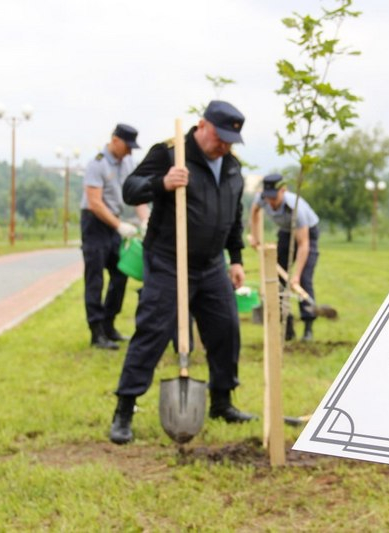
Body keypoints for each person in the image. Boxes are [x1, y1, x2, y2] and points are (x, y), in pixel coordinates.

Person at [109, 101, 256, 445]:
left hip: (211, 265)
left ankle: (222, 402)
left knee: (226, 329)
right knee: (154, 331)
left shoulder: (232, 167)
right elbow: (131, 190)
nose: (224, 146)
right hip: (168, 260)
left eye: (230, 141)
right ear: (202, 126)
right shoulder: (170, 154)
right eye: (219, 138)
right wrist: (161, 183)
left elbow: (233, 217)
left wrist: (235, 258)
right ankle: (124, 410)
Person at [80, 124, 149, 350]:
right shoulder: (97, 163)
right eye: (127, 146)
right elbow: (94, 202)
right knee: (95, 278)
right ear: (115, 140)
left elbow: (137, 194)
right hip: (95, 223)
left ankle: (109, 324)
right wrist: (119, 225)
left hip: (115, 224)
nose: (130, 151)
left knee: (120, 275)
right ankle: (96, 331)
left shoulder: (128, 162)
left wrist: (146, 219)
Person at [248, 174, 320, 341]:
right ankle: (287, 326)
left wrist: (296, 275)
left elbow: (303, 244)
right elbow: (254, 211)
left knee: (303, 280)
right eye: (268, 198)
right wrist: (255, 236)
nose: (271, 202)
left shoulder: (295, 208)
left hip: (307, 234)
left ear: (283, 190)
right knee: (278, 279)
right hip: (286, 233)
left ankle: (308, 327)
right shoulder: (262, 198)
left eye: (274, 197)